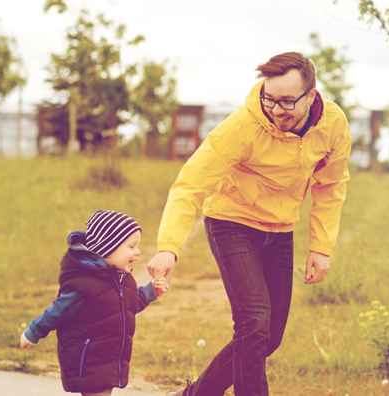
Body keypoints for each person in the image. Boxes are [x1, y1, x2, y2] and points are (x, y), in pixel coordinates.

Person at [148, 52, 352, 396]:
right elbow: (190, 185)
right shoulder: (242, 127)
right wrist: (168, 248)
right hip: (232, 223)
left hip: (280, 228)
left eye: (287, 101)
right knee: (254, 323)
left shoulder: (332, 125)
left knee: (268, 337)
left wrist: (321, 247)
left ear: (312, 96)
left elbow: (331, 186)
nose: (276, 110)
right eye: (269, 99)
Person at [20, 210, 169, 396]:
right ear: (108, 249)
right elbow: (56, 312)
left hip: (109, 358)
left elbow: (126, 305)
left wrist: (150, 291)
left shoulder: (122, 279)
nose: (138, 252)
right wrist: (33, 332)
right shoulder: (83, 285)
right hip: (87, 358)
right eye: (131, 247)